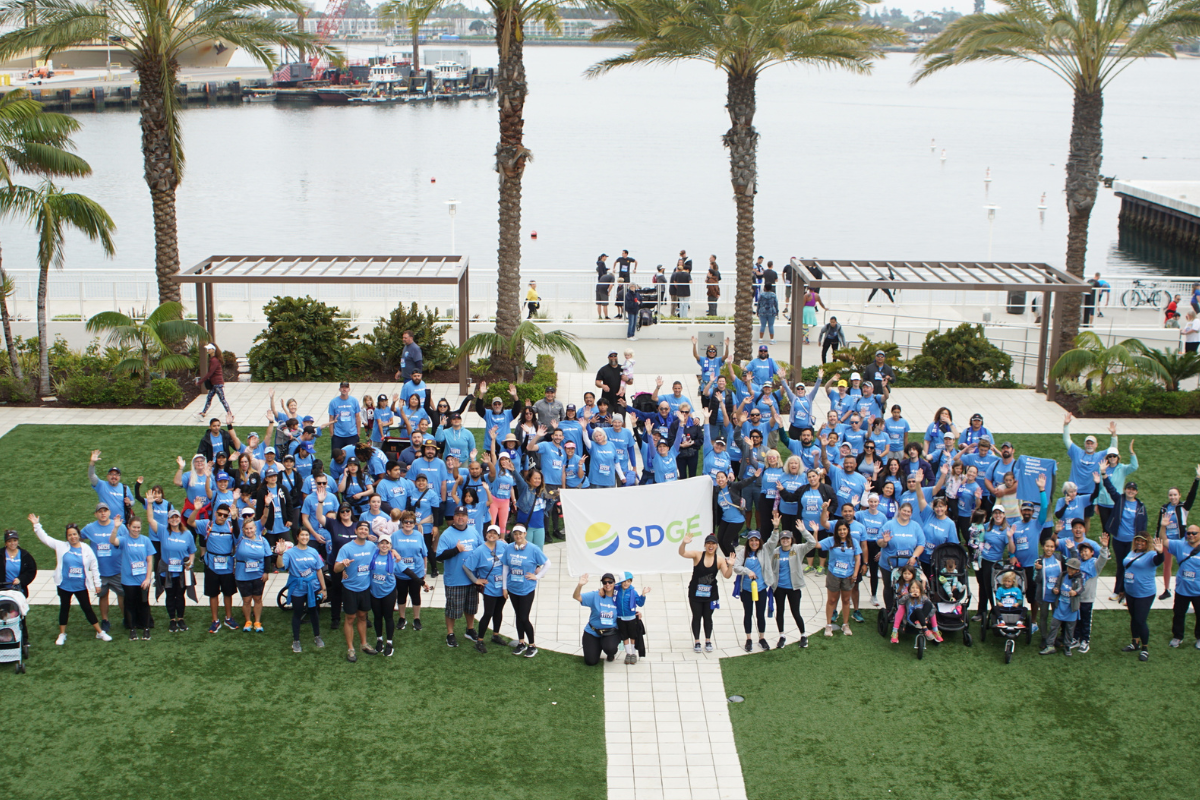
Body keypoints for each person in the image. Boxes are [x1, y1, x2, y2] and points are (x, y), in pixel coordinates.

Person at [31, 515, 110, 645]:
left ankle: (100, 632)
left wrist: (97, 584)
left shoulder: (86, 549)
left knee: (87, 608)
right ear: (67, 537)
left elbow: (94, 567)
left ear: (79, 535)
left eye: (74, 534)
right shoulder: (61, 546)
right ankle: (62, 634)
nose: (72, 537)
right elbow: (45, 539)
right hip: (64, 585)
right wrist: (36, 525)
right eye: (69, 535)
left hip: (80, 585)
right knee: (64, 608)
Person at [437, 505, 484, 648]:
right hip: (454, 579)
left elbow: (482, 550)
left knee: (471, 607)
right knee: (452, 609)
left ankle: (470, 629)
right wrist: (456, 550)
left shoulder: (474, 532)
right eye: (457, 515)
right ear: (454, 517)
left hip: (471, 578)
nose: (460, 518)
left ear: (467, 518)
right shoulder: (447, 534)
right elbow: (439, 556)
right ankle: (450, 633)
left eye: (463, 515)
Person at [333, 520, 379, 662]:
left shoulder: (372, 546)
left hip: (365, 588)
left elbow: (384, 552)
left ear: (368, 532)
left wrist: (394, 552)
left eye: (366, 529)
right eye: (361, 529)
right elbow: (336, 569)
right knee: (350, 618)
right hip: (350, 589)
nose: (363, 531)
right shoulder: (346, 548)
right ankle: (351, 648)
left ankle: (363, 644)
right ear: (356, 531)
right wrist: (343, 565)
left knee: (363, 616)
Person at [679, 533, 733, 653]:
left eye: (713, 543)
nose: (710, 546)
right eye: (708, 543)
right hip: (695, 593)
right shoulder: (698, 555)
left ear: (716, 546)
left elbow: (727, 576)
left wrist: (731, 566)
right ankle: (697, 641)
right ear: (705, 545)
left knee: (708, 617)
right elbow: (682, 553)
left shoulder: (719, 560)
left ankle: (708, 640)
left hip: (711, 594)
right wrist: (684, 543)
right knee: (697, 616)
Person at [276, 528, 327, 653]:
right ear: (297, 537)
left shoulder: (313, 551)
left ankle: (317, 636)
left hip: (313, 587)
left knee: (314, 611)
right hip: (297, 588)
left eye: (306, 535)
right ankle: (296, 641)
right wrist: (280, 554)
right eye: (302, 535)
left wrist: (323, 588)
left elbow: (319, 570)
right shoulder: (290, 553)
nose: (305, 537)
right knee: (297, 613)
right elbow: (280, 566)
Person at [502, 524, 549, 657]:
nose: (518, 536)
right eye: (515, 534)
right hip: (513, 588)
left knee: (524, 617)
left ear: (525, 534)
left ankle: (532, 645)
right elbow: (505, 567)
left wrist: (537, 576)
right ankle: (521, 642)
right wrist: (504, 587)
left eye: (520, 534)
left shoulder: (533, 549)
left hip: (526, 589)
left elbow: (547, 563)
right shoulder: (509, 548)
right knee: (518, 616)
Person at [80, 502, 127, 634]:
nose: (103, 513)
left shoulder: (120, 527)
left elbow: (126, 542)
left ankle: (126, 618)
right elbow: (79, 538)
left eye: (105, 510)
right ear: (96, 514)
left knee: (122, 594)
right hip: (100, 571)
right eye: (100, 511)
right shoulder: (90, 528)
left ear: (109, 513)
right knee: (103, 595)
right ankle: (105, 620)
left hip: (118, 569)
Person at [1102, 467, 1146, 602]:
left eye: (1133, 490)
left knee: (1130, 567)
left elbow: (1143, 524)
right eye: (1128, 489)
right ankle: (1117, 591)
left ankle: (1127, 594)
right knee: (1121, 566)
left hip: (1133, 542)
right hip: (1118, 540)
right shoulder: (1119, 500)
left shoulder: (1140, 506)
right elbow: (1110, 489)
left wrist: (1142, 541)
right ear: (1125, 490)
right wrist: (1104, 474)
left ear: (1136, 492)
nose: (1131, 491)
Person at [194, 504, 238, 633]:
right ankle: (215, 620)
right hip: (211, 566)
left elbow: (238, 537)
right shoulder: (207, 525)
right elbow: (190, 522)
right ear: (215, 513)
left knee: (228, 593)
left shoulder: (231, 526)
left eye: (225, 515)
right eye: (220, 514)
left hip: (227, 566)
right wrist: (196, 509)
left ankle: (228, 618)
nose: (222, 517)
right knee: (213, 594)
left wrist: (235, 519)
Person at [108, 517, 154, 641]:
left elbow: (149, 561)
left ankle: (146, 628)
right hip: (128, 580)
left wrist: (148, 578)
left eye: (138, 527)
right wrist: (116, 527)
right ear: (128, 526)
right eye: (134, 527)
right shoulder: (124, 540)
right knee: (130, 604)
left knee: (144, 603)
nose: (136, 529)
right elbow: (112, 541)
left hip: (142, 579)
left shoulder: (145, 540)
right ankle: (132, 629)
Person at [466, 524, 509, 653]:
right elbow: (467, 567)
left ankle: (495, 635)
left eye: (495, 533)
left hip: (502, 587)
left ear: (498, 535)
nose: (492, 535)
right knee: (488, 613)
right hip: (490, 587)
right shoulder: (479, 550)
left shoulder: (503, 546)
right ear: (486, 534)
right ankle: (479, 640)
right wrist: (475, 580)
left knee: (498, 611)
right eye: (490, 533)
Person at [1159, 465, 1199, 599]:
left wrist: (1197, 479)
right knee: (1167, 565)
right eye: (1170, 495)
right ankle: (1166, 589)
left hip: (1181, 541)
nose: (1172, 497)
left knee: (1185, 563)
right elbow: (1160, 524)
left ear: (1179, 495)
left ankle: (1186, 586)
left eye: (1175, 495)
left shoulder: (1184, 507)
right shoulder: (1164, 508)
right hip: (1167, 540)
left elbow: (1192, 496)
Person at [1121, 532, 1164, 661]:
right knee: (1134, 618)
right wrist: (1123, 589)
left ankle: (1145, 648)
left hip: (1144, 593)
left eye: (1143, 541)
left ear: (1147, 543)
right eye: (1138, 540)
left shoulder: (1151, 555)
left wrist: (1161, 553)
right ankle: (1135, 642)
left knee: (1140, 620)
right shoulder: (1132, 552)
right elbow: (1127, 570)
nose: (1140, 543)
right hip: (1131, 591)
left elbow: (1158, 561)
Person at [818, 520, 861, 637]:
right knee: (832, 600)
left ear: (848, 530)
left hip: (848, 576)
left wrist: (855, 574)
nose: (842, 532)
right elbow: (816, 545)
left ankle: (845, 624)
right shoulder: (831, 540)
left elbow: (858, 559)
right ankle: (828, 625)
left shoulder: (854, 542)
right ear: (836, 531)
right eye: (840, 529)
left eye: (844, 529)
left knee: (846, 601)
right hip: (834, 575)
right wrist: (815, 532)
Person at [732, 531, 771, 652]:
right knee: (748, 614)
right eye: (751, 540)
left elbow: (773, 541)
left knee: (760, 614)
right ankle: (748, 639)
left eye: (756, 540)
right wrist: (747, 571)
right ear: (748, 542)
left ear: (760, 541)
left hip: (761, 588)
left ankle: (762, 638)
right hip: (747, 589)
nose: (754, 543)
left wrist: (775, 528)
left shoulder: (764, 551)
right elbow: (736, 567)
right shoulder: (743, 552)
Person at [1165, 522, 1200, 650]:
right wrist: (1163, 527)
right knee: (1178, 614)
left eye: (1194, 533)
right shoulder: (1180, 545)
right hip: (1182, 589)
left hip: (1198, 591)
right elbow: (1164, 541)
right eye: (1188, 533)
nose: (1191, 535)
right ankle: (1177, 636)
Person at [234, 517, 271, 633]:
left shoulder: (262, 540)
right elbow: (235, 528)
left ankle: (257, 621)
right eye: (246, 529)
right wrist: (234, 517)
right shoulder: (240, 538)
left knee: (258, 598)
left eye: (251, 528)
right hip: (242, 574)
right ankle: (248, 620)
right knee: (246, 600)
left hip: (258, 574)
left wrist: (266, 572)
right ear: (243, 530)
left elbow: (268, 557)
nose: (249, 531)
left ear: (255, 528)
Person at [574, 573, 620, 665]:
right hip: (593, 631)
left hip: (610, 632)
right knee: (591, 661)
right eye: (605, 582)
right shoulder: (596, 595)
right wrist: (580, 585)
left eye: (610, 582)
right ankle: (597, 645)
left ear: (614, 583)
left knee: (610, 648)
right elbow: (576, 597)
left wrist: (636, 613)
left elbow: (629, 605)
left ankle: (610, 653)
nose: (607, 584)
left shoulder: (619, 597)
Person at [195, 342, 231, 417]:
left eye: (209, 349)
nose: (208, 350)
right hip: (215, 383)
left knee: (222, 399)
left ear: (213, 350)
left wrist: (200, 381)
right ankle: (203, 412)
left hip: (217, 383)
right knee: (209, 397)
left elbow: (210, 372)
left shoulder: (214, 360)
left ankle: (230, 414)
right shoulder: (214, 359)